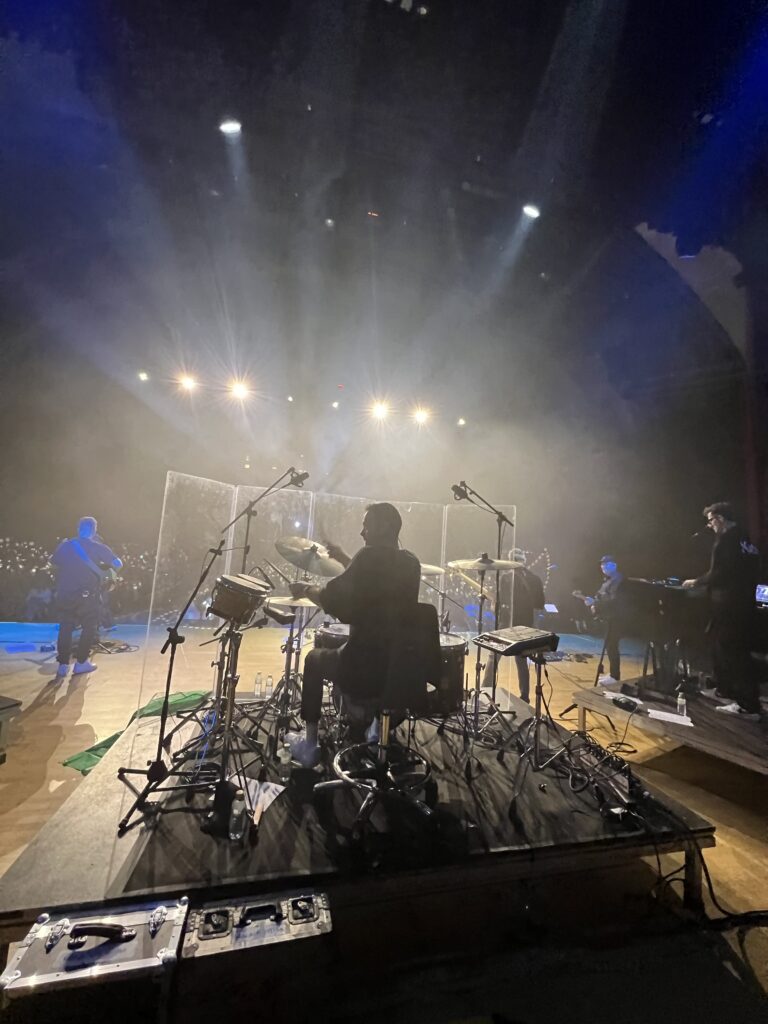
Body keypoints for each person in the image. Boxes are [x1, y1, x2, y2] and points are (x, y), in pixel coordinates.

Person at [286, 503, 421, 766]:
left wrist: (305, 588)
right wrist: (345, 559)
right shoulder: (411, 563)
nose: (362, 532)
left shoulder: (367, 557)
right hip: (398, 668)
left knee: (314, 659)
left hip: (362, 665)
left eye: (366, 525)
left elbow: (333, 599)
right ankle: (377, 728)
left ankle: (309, 745)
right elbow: (377, 583)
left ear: (383, 526)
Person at [683, 502, 761, 719]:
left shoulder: (726, 540)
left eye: (710, 521)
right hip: (744, 603)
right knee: (724, 646)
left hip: (728, 605)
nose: (710, 526)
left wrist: (696, 582)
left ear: (720, 518)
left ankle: (748, 705)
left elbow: (719, 572)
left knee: (734, 652)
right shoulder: (746, 539)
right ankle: (727, 690)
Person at [50, 517, 123, 679]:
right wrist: (105, 572)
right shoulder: (98, 547)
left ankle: (63, 666)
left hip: (66, 593)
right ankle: (81, 663)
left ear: (78, 529)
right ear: (94, 530)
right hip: (88, 595)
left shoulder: (66, 545)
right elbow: (118, 563)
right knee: (89, 627)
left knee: (65, 628)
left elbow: (53, 562)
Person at [482, 549, 545, 702]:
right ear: (524, 561)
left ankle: (485, 691)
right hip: (525, 625)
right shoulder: (535, 579)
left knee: (493, 656)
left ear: (510, 561)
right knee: (522, 660)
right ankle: (525, 697)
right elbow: (540, 604)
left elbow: (498, 604)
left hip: (506, 623)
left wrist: (493, 604)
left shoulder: (505, 578)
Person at [573, 555, 626, 683]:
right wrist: (591, 602)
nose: (603, 567)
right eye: (602, 564)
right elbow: (601, 597)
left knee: (612, 646)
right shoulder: (608, 580)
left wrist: (596, 603)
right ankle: (613, 674)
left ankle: (615, 676)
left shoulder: (618, 580)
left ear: (614, 565)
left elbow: (613, 600)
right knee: (609, 646)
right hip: (608, 617)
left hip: (615, 618)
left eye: (606, 564)